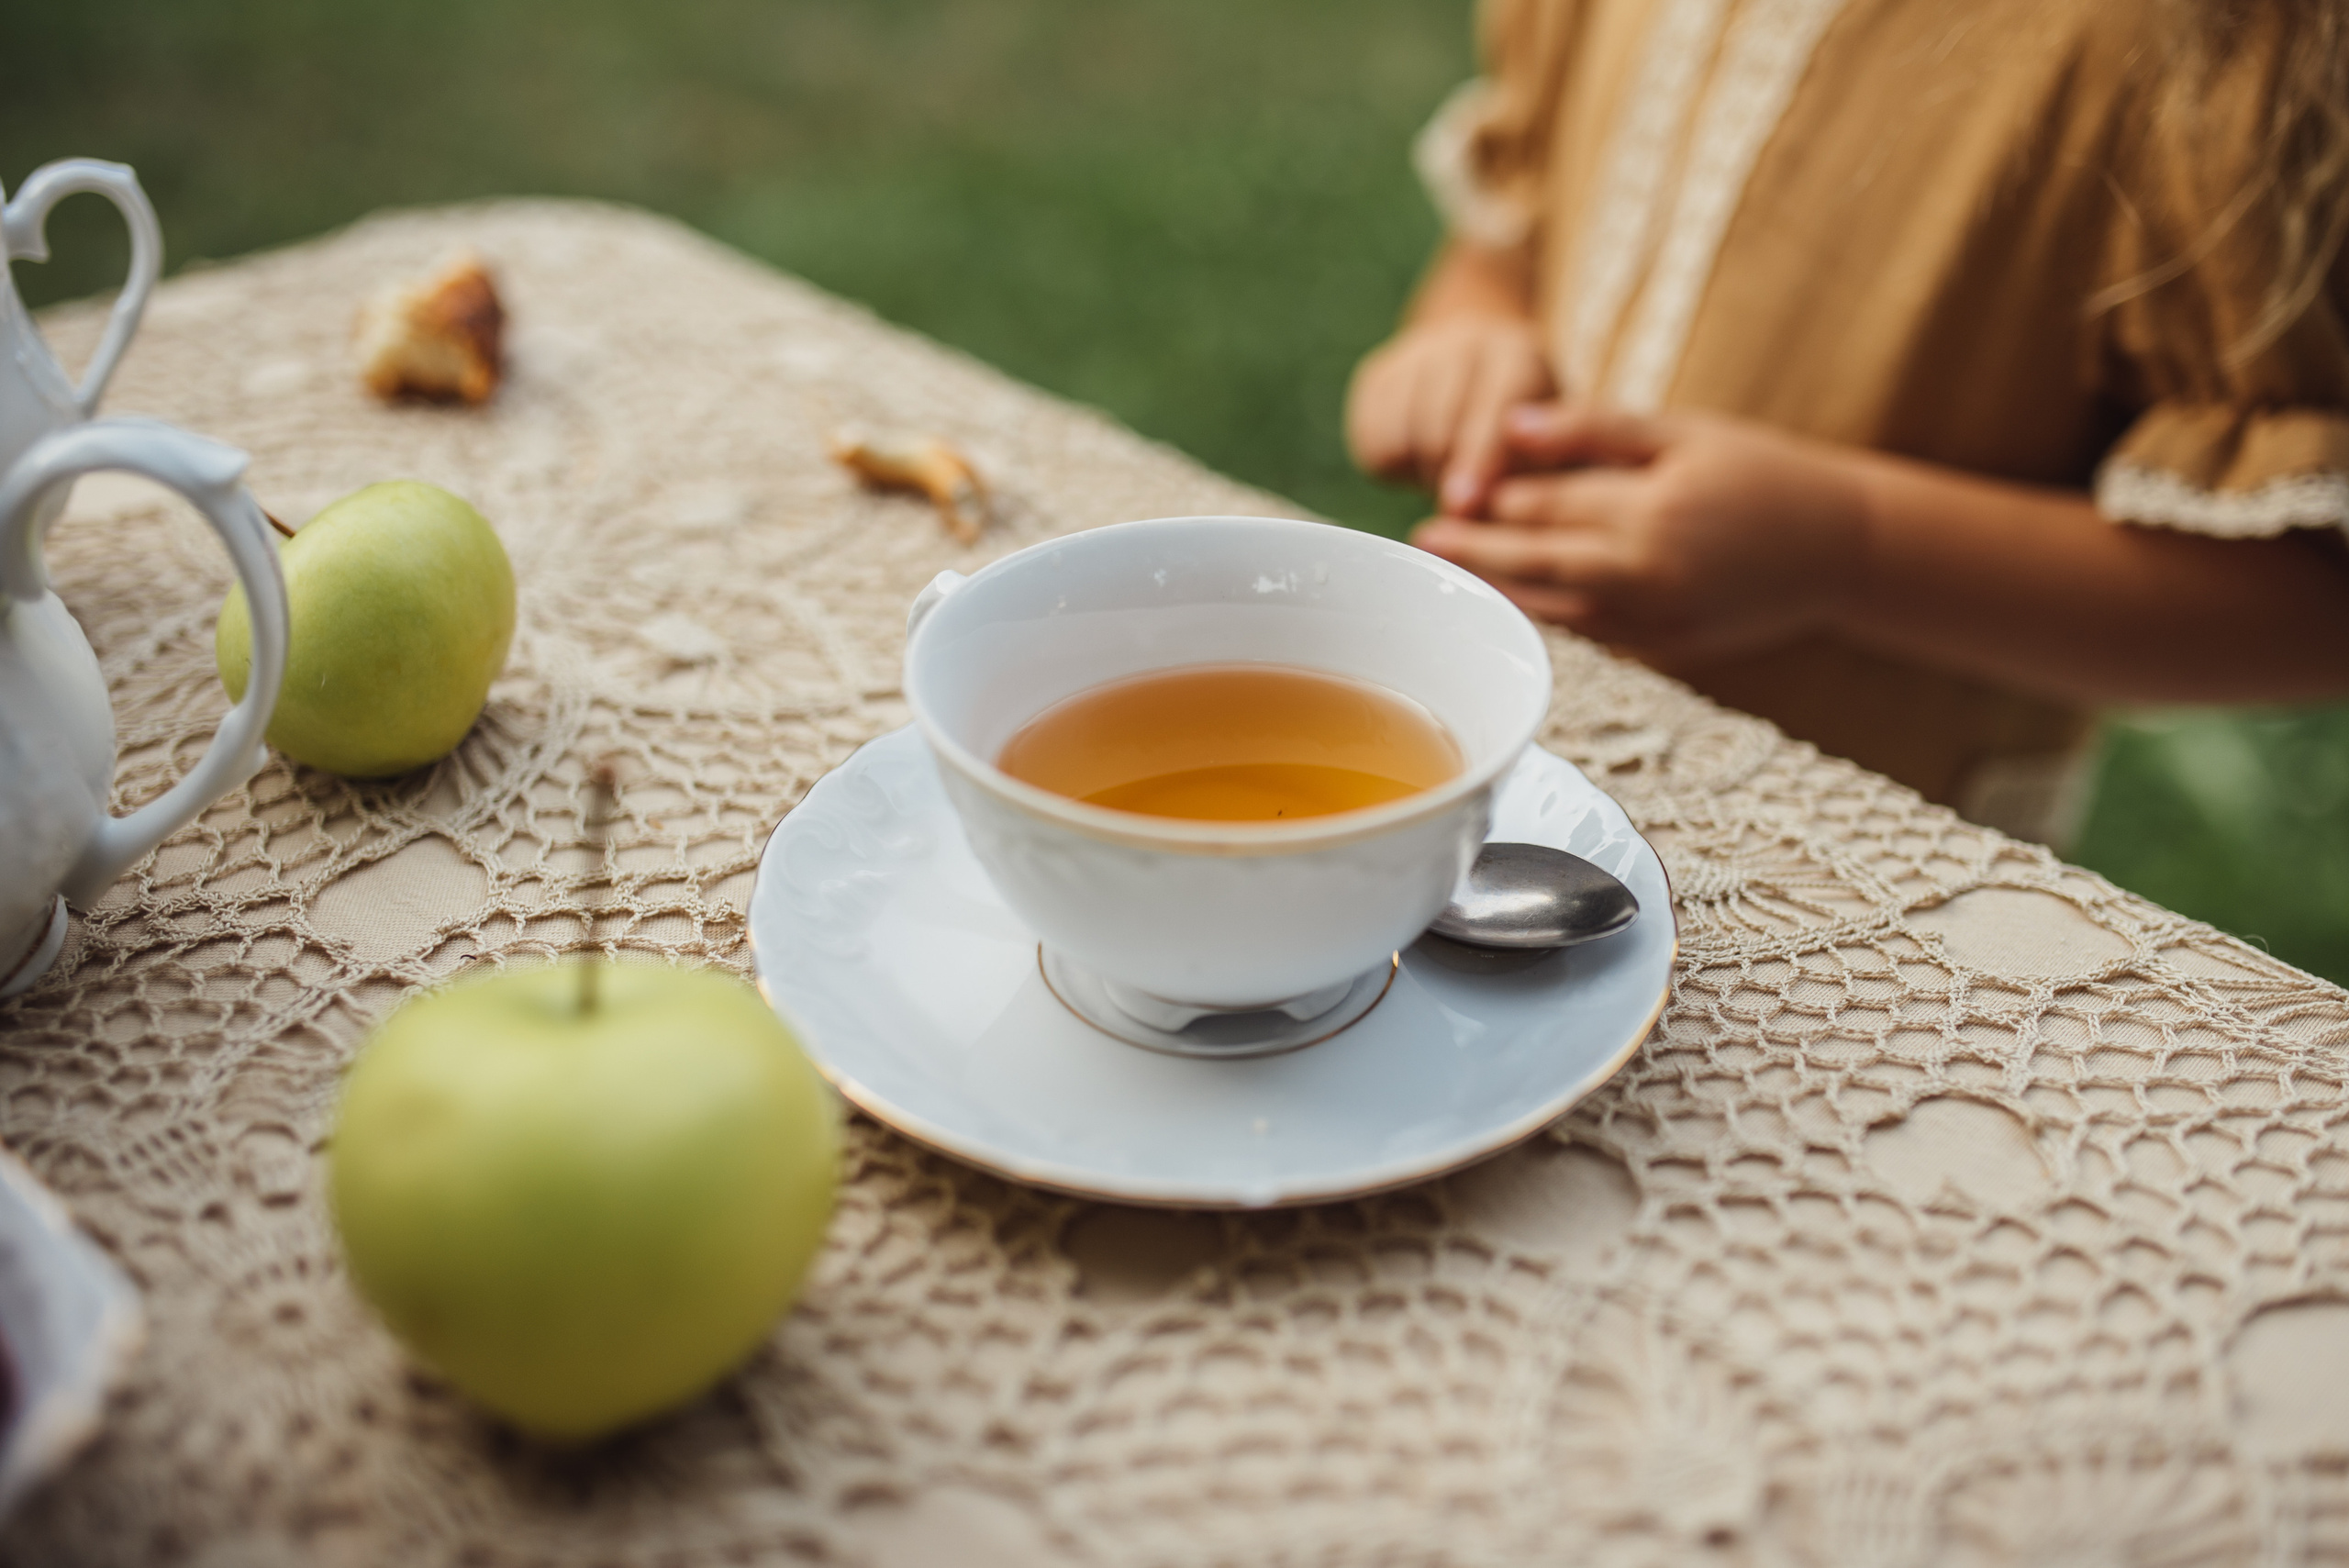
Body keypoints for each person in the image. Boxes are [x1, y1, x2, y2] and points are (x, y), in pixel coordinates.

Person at [1349, 0, 2349, 843]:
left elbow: (2309, 597)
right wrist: (1470, 332)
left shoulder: (2186, 44)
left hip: (1850, 848)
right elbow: (1514, 236)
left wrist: (1845, 547)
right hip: (1524, 777)